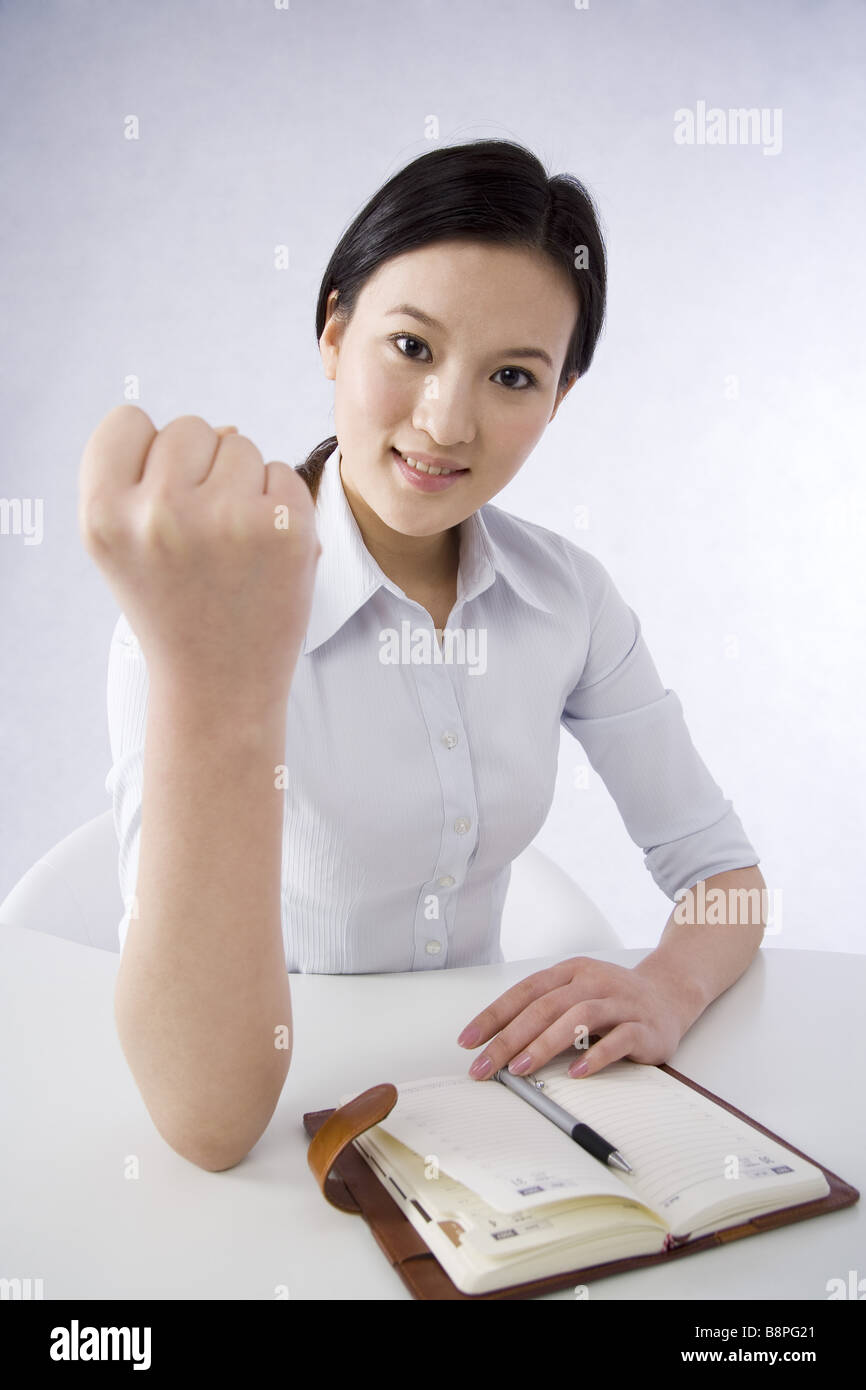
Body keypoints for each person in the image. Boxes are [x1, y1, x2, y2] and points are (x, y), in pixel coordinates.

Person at [80, 139, 765, 1172]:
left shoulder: (565, 598)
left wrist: (667, 985)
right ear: (333, 331)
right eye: (410, 348)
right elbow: (207, 1125)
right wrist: (218, 677)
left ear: (558, 398)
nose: (446, 420)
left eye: (511, 376)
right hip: (276, 1131)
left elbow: (717, 872)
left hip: (485, 1116)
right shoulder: (193, 608)